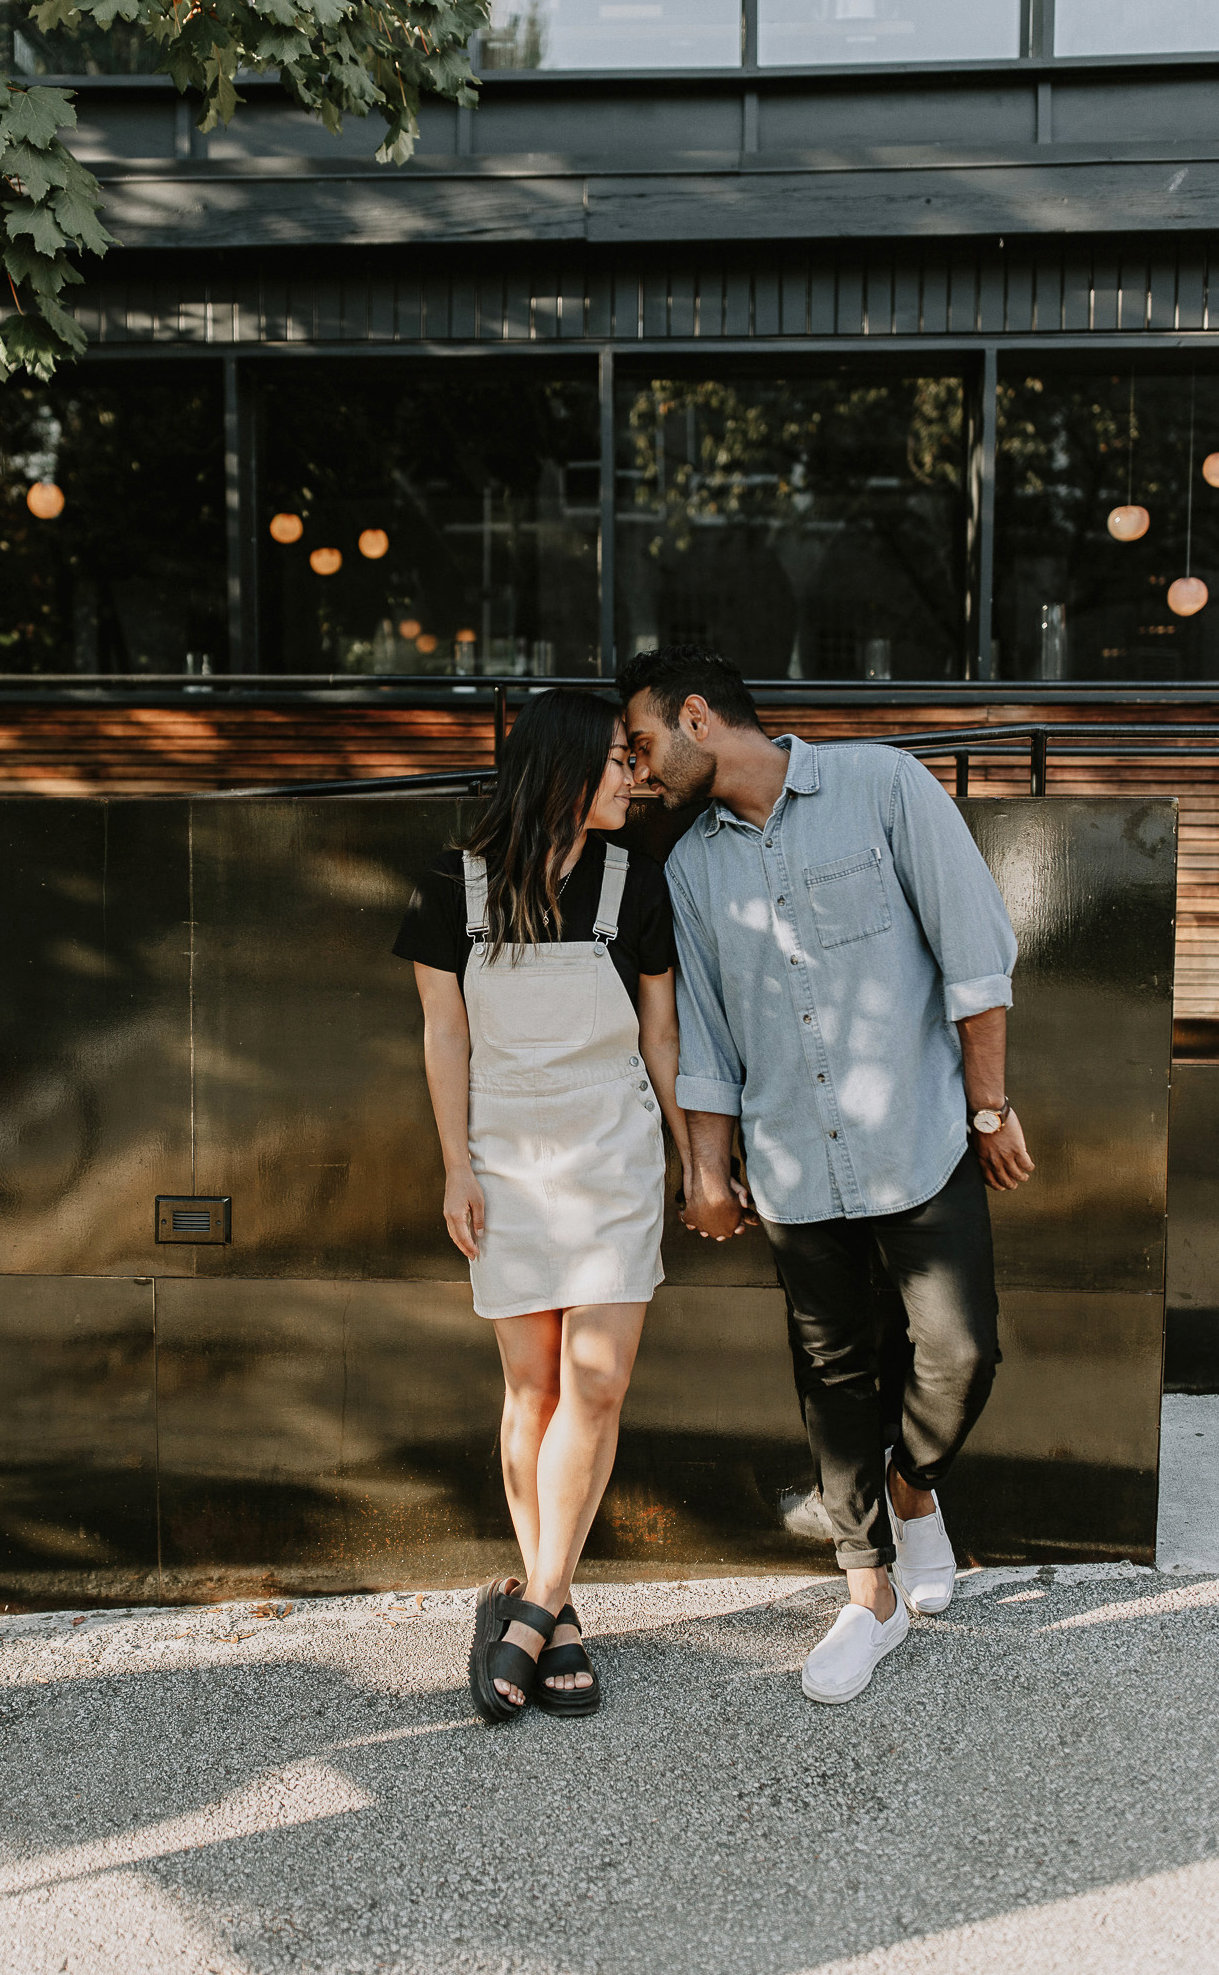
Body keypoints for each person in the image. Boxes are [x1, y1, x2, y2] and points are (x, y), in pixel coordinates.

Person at [619, 644, 1034, 1706]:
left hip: (920, 1136)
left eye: (643, 741)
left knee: (960, 1348)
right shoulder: (689, 865)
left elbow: (975, 957)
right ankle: (868, 1591)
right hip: (794, 1163)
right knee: (833, 1376)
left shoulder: (881, 784)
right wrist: (706, 1169)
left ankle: (909, 1485)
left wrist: (987, 1108)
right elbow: (705, 1038)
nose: (638, 766)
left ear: (699, 717)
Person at [393, 688, 697, 1722]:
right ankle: (556, 1609)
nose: (635, 777)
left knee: (596, 1382)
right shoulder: (453, 884)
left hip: (611, 1152)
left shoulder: (636, 881)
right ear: (564, 769)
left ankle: (527, 1608)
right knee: (531, 1387)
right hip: (506, 1157)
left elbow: (660, 1037)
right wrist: (455, 1166)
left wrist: (697, 1156)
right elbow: (445, 1036)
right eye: (619, 761)